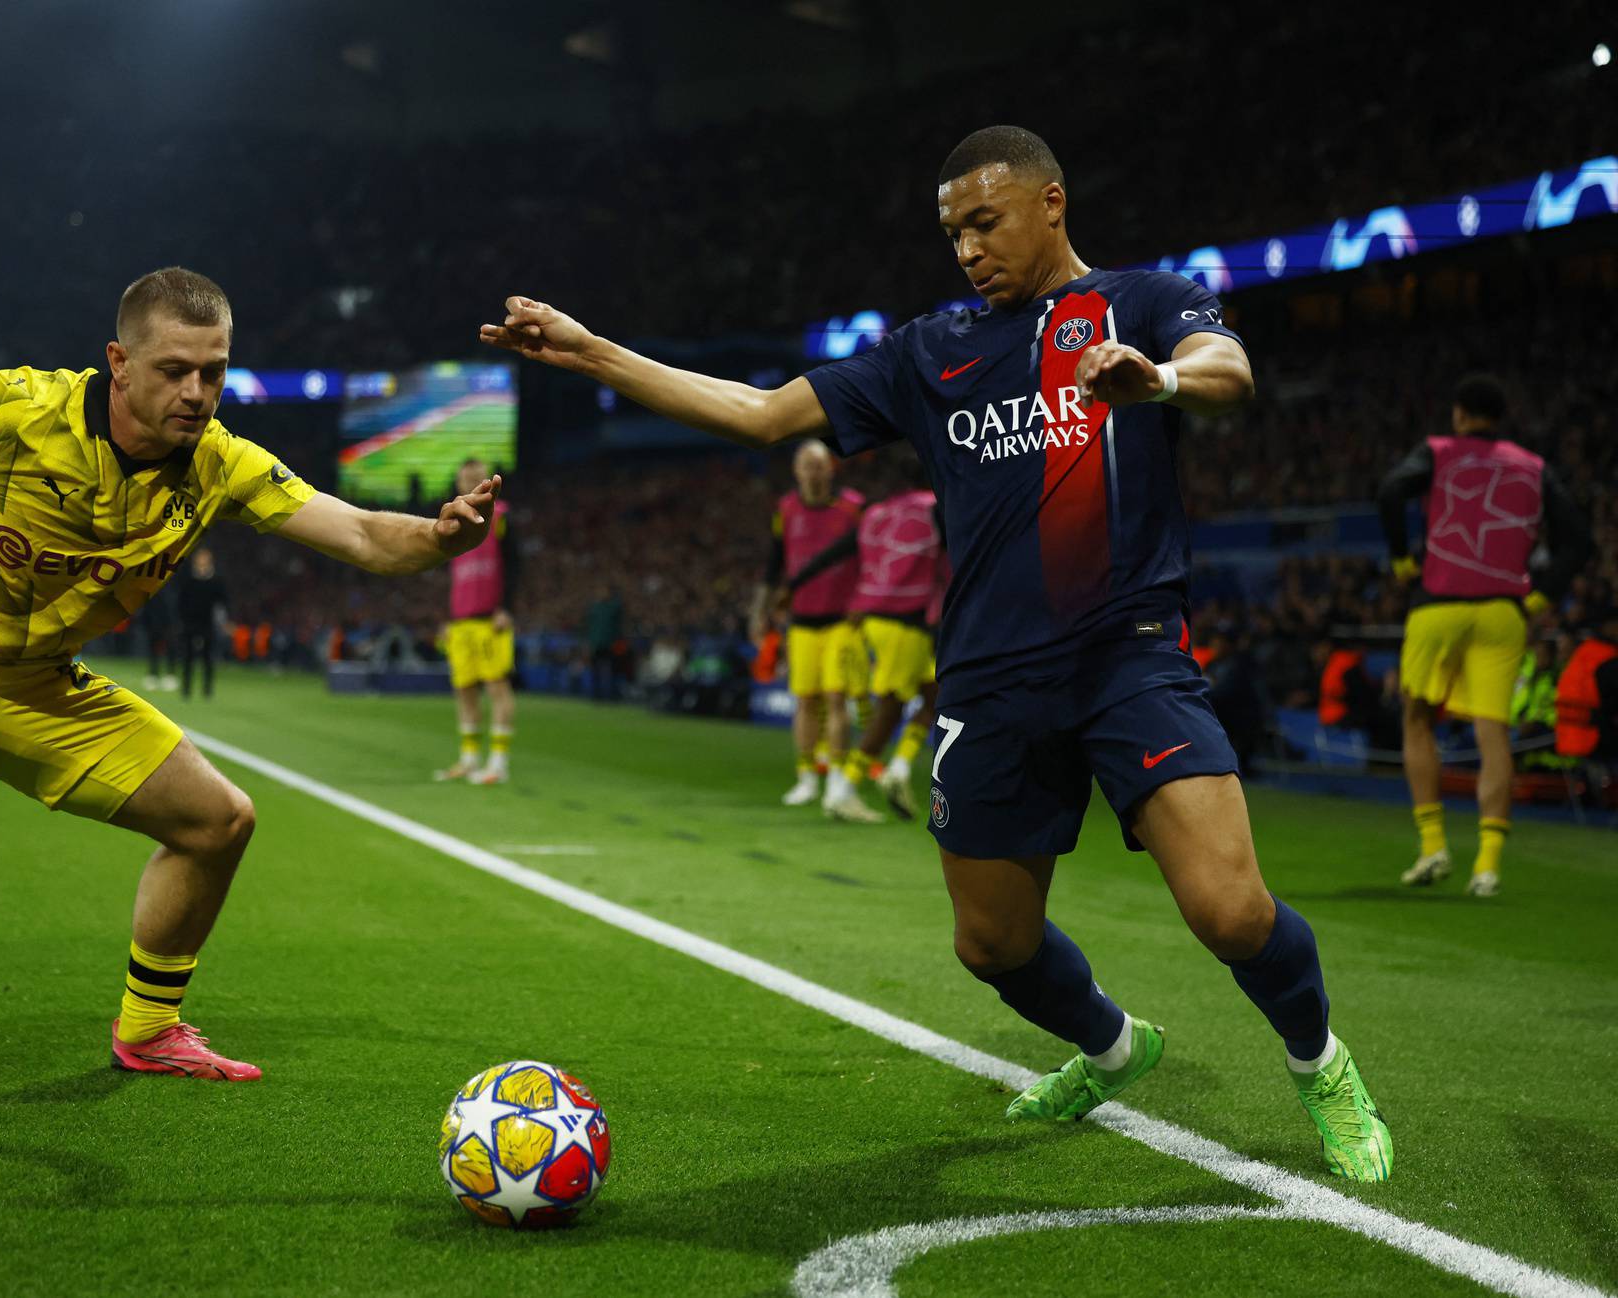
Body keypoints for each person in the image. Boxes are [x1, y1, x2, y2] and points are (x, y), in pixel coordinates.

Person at [481, 125, 1392, 1180]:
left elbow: (1224, 364)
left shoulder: (1140, 302)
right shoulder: (932, 349)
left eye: (985, 222)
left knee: (1231, 908)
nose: (967, 248)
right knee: (992, 944)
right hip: (990, 677)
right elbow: (761, 413)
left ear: (1052, 203)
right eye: (953, 230)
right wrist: (588, 350)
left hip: (1125, 655)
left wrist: (1163, 384)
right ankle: (1111, 1046)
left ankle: (1320, 1061)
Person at [0, 266, 502, 1091]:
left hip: (43, 684)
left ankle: (150, 1027)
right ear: (118, 362)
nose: (198, 393)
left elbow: (365, 535)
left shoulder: (219, 465)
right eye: (174, 370)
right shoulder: (17, 406)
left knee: (220, 821)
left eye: (214, 372)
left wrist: (439, 536)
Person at [1376, 373, 1591, 897]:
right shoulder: (1533, 466)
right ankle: (1488, 866)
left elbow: (1390, 491)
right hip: (1503, 611)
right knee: (1492, 730)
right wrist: (1540, 595)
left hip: (1439, 603)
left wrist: (1403, 557)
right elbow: (1577, 540)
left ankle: (1433, 849)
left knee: (1418, 717)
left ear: (1459, 414)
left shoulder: (1439, 450)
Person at [785, 452, 944, 822]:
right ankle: (845, 788)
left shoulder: (877, 512)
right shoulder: (935, 508)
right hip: (907, 619)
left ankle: (899, 769)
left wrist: (791, 584)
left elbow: (834, 553)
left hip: (871, 615)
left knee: (937, 694)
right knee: (890, 705)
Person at [758, 440, 867, 811]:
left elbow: (871, 555)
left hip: (843, 620)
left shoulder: (854, 507)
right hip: (802, 620)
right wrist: (760, 609)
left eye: (819, 464)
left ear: (831, 468)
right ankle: (806, 776)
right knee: (805, 699)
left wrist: (865, 601)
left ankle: (836, 776)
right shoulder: (785, 510)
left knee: (837, 697)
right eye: (807, 464)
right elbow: (774, 564)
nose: (814, 471)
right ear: (796, 470)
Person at [434, 457, 516, 785]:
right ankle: (469, 760)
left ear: (488, 479)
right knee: (464, 690)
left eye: (477, 475)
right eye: (465, 475)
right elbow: (447, 573)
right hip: (460, 620)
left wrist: (506, 607)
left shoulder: (502, 515)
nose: (471, 479)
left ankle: (498, 763)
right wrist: (447, 618)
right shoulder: (453, 520)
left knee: (497, 687)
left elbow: (515, 561)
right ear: (457, 482)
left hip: (489, 617)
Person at [1555, 608, 1618, 762]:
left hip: (1569, 744)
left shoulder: (1583, 654)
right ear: (1609, 627)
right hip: (1597, 744)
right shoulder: (1607, 659)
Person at [176, 546, 228, 699]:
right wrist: (181, 619)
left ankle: (207, 689)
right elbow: (181, 600)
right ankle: (186, 689)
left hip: (207, 623)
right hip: (190, 623)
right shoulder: (188, 578)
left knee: (208, 658)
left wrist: (225, 620)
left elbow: (223, 601)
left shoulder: (216, 580)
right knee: (188, 657)